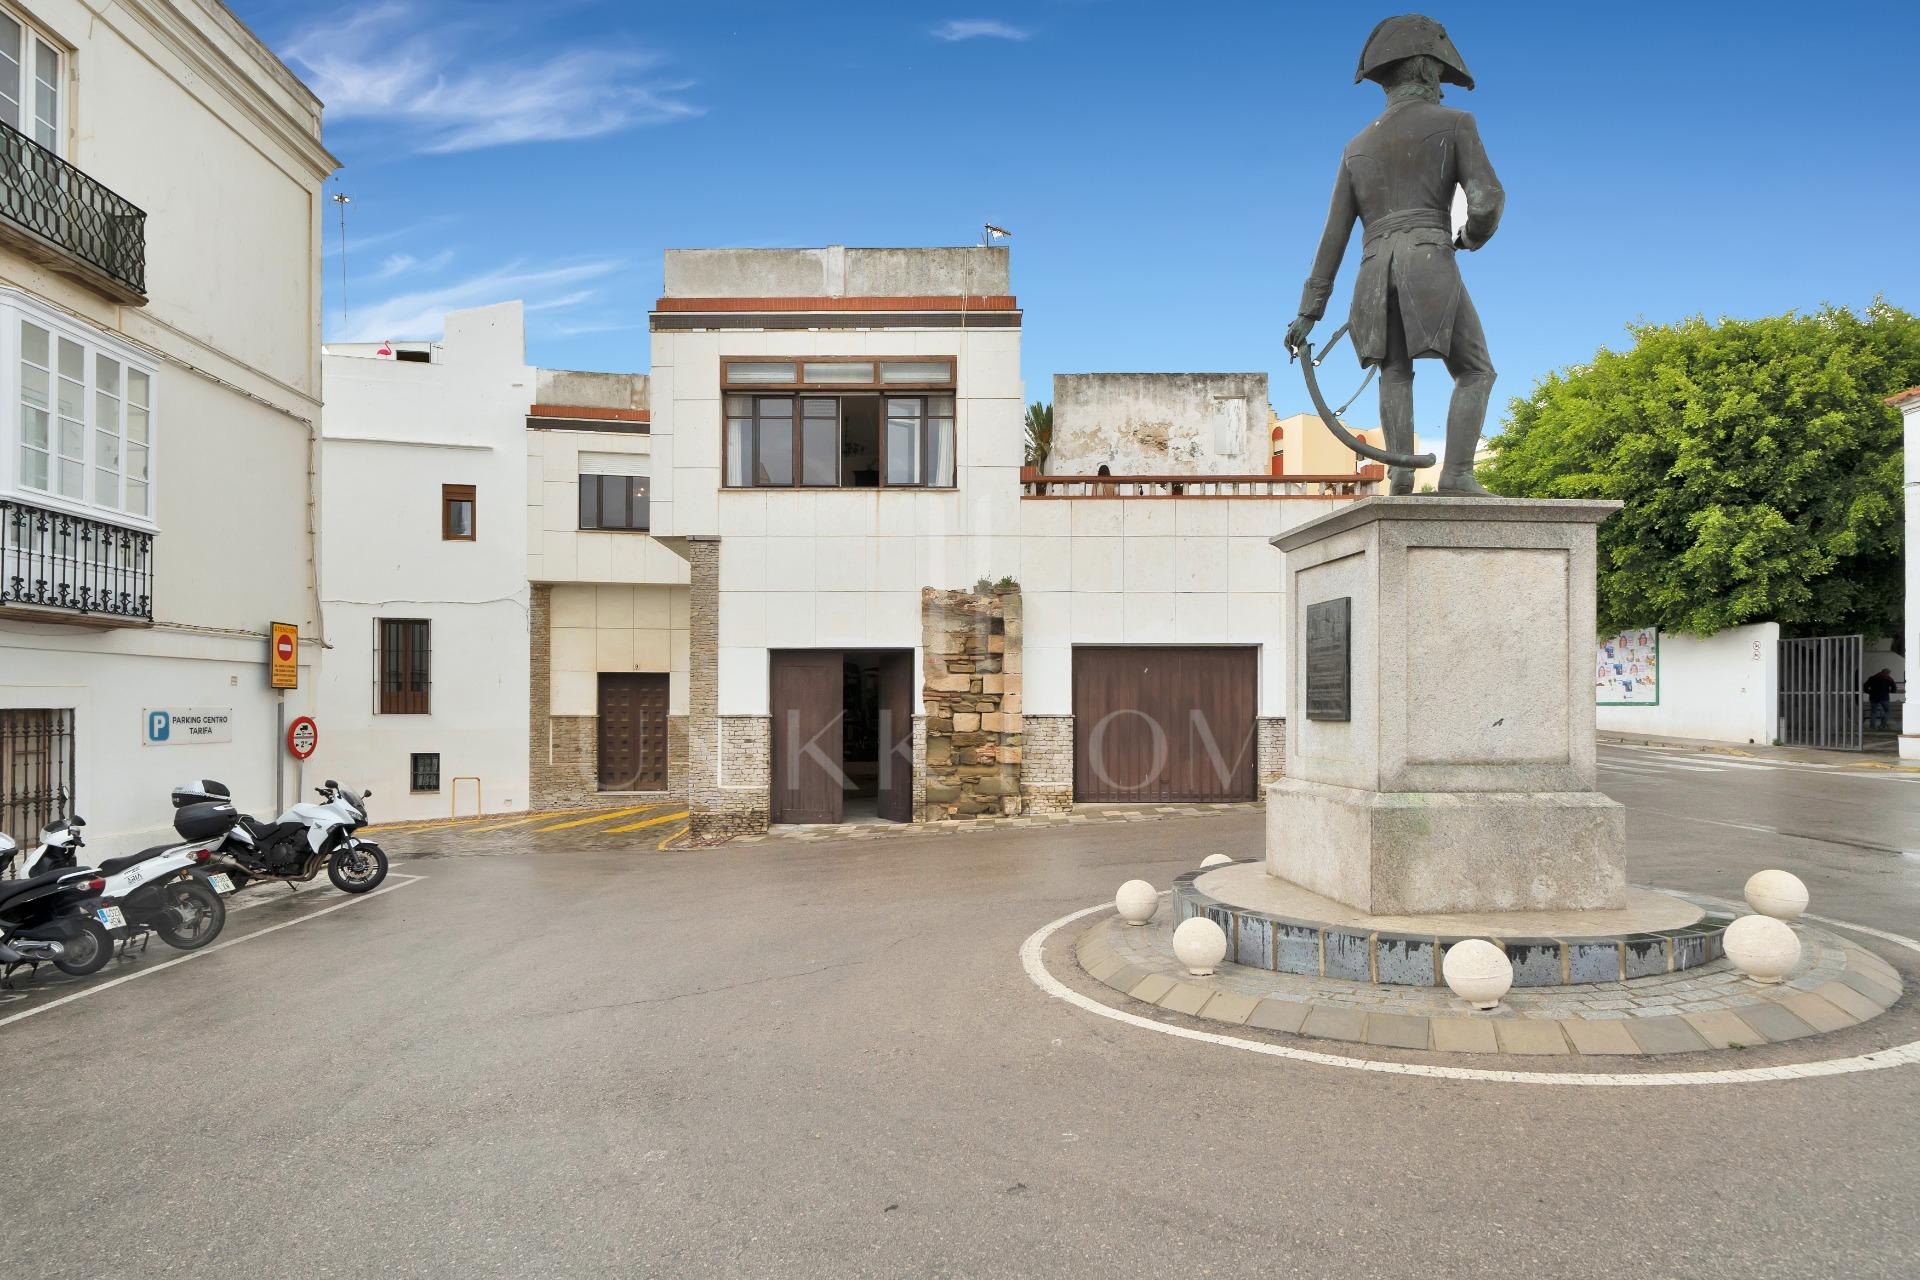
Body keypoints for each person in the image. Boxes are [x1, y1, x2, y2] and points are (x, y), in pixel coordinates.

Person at [1284, 14, 1504, 496]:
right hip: (1428, 256)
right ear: (1425, 68)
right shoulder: (1455, 123)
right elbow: (1486, 199)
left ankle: (1400, 473)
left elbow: (1332, 239)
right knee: (1475, 369)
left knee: (1394, 370)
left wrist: (1308, 312)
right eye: (1441, 77)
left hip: (1372, 271)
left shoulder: (1356, 147)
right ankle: (1458, 474)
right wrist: (1468, 235)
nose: (1444, 90)